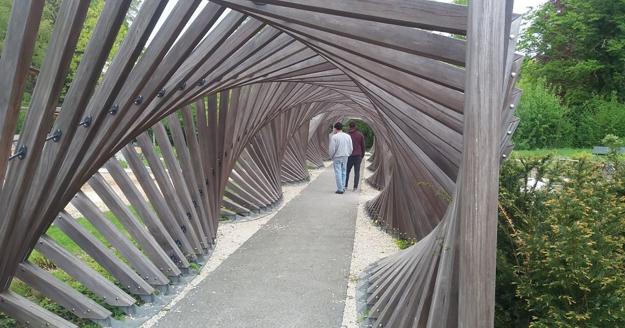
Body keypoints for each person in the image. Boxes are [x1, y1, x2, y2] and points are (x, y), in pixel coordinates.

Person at [328, 122, 353, 194]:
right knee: (344, 171)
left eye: (334, 128)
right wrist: (348, 154)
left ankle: (340, 189)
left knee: (338, 172)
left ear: (335, 128)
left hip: (337, 156)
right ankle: (342, 186)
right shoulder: (348, 136)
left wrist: (331, 156)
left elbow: (332, 149)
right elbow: (351, 147)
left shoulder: (334, 137)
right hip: (345, 155)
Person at [345, 121, 366, 191]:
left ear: (349, 127)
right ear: (355, 126)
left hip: (349, 155)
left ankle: (345, 186)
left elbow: (345, 146)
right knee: (357, 172)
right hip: (358, 155)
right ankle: (355, 187)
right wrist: (362, 155)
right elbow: (363, 146)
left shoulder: (347, 135)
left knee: (347, 171)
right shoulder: (360, 135)